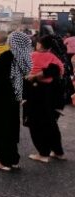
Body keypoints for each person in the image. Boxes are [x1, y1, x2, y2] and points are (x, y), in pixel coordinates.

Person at [0, 31, 32, 172]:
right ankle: (13, 160)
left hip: (1, 96)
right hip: (14, 97)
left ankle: (4, 162)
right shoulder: (24, 58)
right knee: (11, 127)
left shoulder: (8, 55)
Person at [24, 35, 66, 163]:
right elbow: (56, 70)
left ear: (40, 45)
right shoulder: (55, 57)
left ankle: (43, 153)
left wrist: (34, 77)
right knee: (51, 123)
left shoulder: (34, 56)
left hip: (36, 93)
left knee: (36, 124)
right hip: (53, 95)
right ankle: (58, 152)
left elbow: (24, 72)